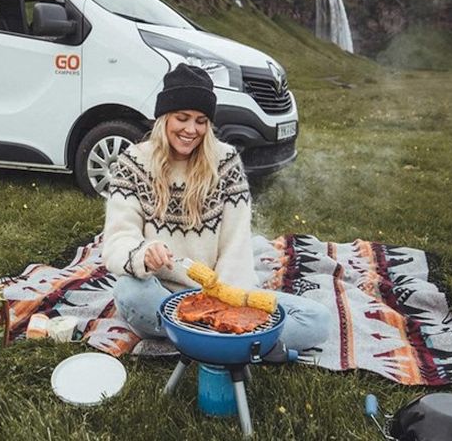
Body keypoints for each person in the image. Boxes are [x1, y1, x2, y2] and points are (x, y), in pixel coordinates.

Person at [102, 63, 330, 356]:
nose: (190, 130)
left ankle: (185, 342)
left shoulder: (226, 162)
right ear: (163, 118)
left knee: (317, 321)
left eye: (200, 121)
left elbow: (235, 244)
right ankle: (238, 346)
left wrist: (228, 304)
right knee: (128, 292)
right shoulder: (132, 163)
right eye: (181, 118)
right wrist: (144, 253)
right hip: (159, 292)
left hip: (219, 295)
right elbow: (118, 240)